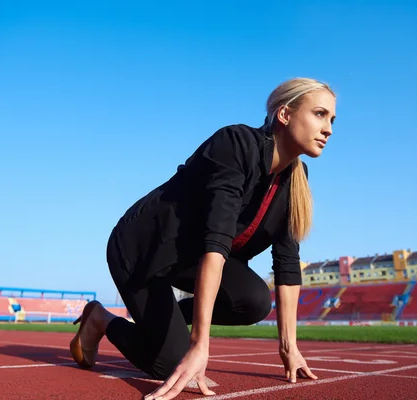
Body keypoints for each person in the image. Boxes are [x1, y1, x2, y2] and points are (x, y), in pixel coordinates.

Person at [70, 77, 336, 400]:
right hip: (142, 250)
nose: (329, 129)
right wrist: (199, 345)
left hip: (188, 259)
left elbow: (287, 263)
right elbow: (217, 242)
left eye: (332, 120)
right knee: (171, 364)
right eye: (320, 114)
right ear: (285, 114)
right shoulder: (237, 144)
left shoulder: (296, 181)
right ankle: (100, 318)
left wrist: (289, 347)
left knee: (255, 300)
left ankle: (167, 325)